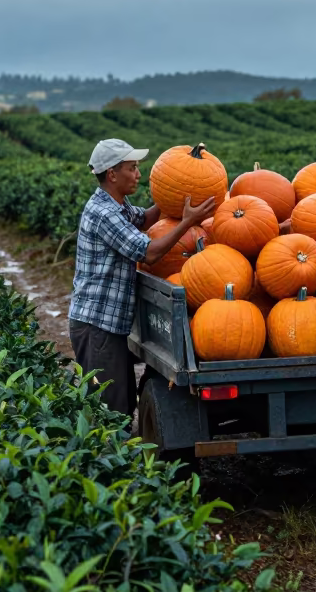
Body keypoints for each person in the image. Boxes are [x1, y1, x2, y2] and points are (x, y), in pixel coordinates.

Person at [69, 138, 217, 417]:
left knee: (121, 400)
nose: (138, 174)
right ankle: (110, 458)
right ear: (112, 174)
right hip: (97, 324)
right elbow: (148, 253)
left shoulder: (118, 206)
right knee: (110, 409)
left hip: (107, 323)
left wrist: (172, 190)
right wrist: (186, 222)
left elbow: (146, 218)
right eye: (132, 168)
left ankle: (121, 454)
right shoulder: (104, 213)